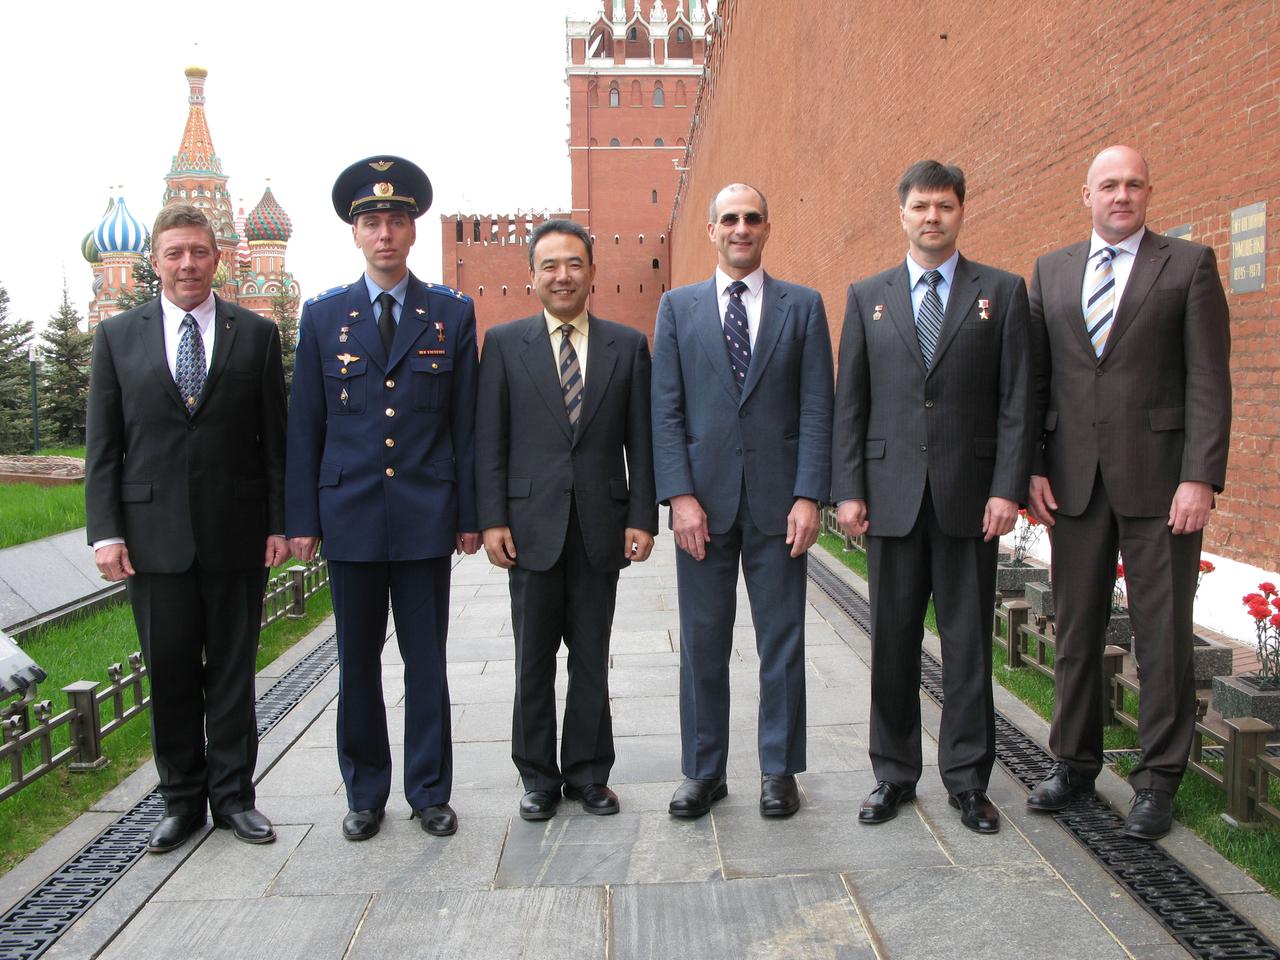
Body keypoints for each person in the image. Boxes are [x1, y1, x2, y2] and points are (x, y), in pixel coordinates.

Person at [1025, 145, 1231, 840]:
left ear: (1148, 193)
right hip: (1074, 482)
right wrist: (1033, 467)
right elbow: (1037, 381)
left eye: (1134, 184)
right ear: (1085, 195)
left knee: (1162, 636)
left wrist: (1199, 476)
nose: (1122, 195)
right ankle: (1074, 765)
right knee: (1077, 629)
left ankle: (1158, 780)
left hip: (1161, 480)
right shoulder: (1051, 271)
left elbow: (1208, 378)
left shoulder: (1188, 266)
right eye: (1108, 185)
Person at [832, 161, 1031, 834]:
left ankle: (969, 781)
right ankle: (892, 774)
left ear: (960, 212)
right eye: (920, 206)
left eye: (944, 206)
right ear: (902, 213)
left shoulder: (1000, 293)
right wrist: (848, 492)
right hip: (888, 500)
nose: (932, 217)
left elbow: (1016, 403)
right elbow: (849, 405)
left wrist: (1008, 488)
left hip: (970, 501)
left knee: (968, 644)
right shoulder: (868, 296)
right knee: (890, 642)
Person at [286, 155, 480, 841]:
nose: (385, 233)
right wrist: (301, 520)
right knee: (357, 662)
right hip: (351, 519)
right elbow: (305, 425)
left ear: (414, 230)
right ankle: (365, 792)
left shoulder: (451, 314)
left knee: (426, 663)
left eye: (397, 220)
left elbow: (466, 422)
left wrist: (470, 515)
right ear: (355, 233)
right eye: (372, 221)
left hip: (426, 518)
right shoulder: (324, 316)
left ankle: (429, 790)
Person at [86, 204, 287, 853]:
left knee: (232, 671)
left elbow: (273, 443)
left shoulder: (254, 335)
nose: (188, 264)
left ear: (218, 257)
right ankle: (181, 801)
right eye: (174, 253)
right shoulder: (118, 337)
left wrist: (280, 524)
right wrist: (105, 532)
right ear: (154, 261)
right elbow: (102, 447)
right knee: (169, 673)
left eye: (199, 252)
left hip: (237, 531)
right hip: (151, 539)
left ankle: (234, 798)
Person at [651, 182, 833, 819]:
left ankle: (779, 770)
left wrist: (811, 494)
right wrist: (678, 496)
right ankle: (704, 771)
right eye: (729, 219)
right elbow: (666, 410)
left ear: (766, 227)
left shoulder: (803, 307)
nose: (741, 229)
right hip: (703, 505)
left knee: (781, 642)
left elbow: (817, 407)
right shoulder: (677, 308)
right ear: (711, 229)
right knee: (703, 642)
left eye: (752, 218)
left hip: (780, 506)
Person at [475, 219, 657, 821]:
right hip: (529, 528)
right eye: (549, 265)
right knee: (532, 658)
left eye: (574, 264)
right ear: (531, 277)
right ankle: (536, 777)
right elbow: (490, 440)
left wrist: (642, 516)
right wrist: (493, 517)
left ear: (593, 273)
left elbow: (642, 441)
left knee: (590, 655)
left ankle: (587, 773)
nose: (562, 275)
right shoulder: (504, 344)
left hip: (600, 525)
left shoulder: (626, 346)